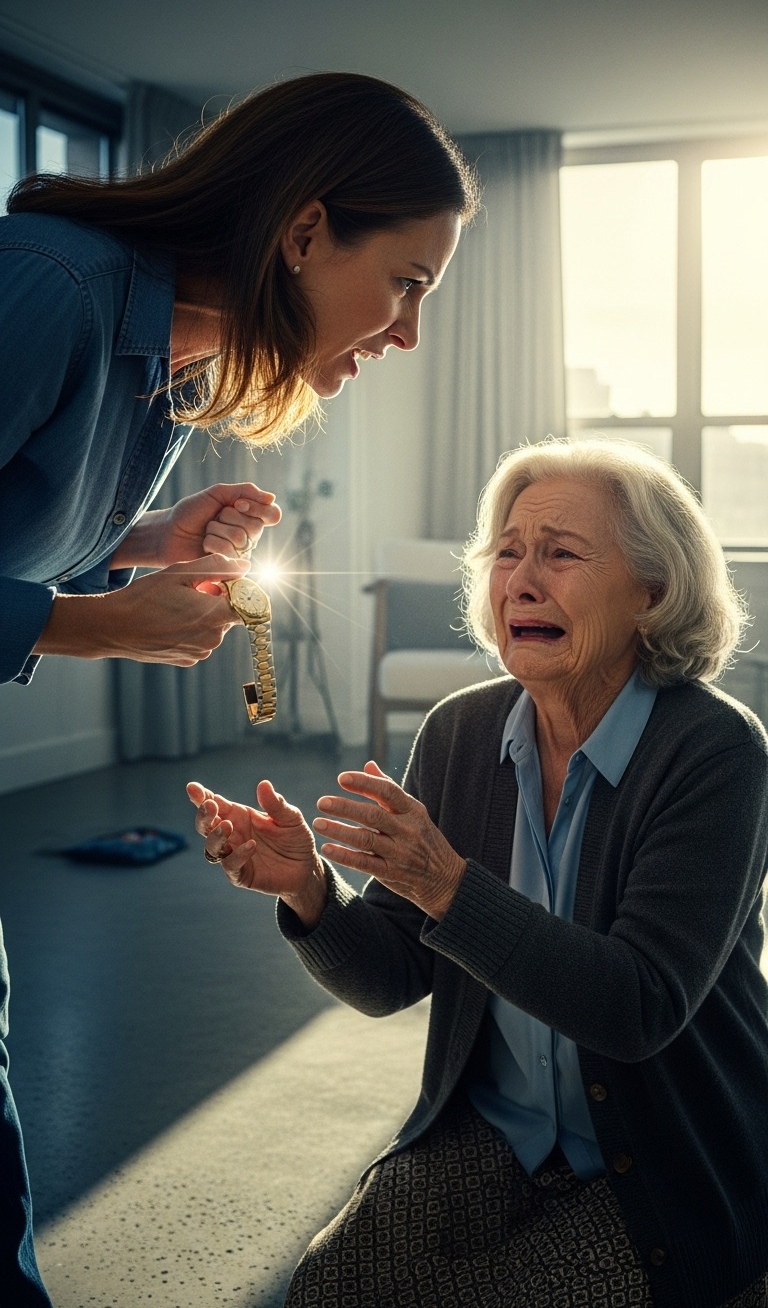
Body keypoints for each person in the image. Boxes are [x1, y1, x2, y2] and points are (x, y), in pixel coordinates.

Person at [0, 71, 479, 1305]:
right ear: (307, 230)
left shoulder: (165, 357)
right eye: (407, 285)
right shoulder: (48, 287)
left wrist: (151, 540)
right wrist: (94, 624)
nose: (409, 334)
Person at [189, 438, 768, 1308]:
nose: (521, 580)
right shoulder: (461, 733)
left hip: (669, 1160)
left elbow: (637, 1005)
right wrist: (309, 892)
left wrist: (448, 885)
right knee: (327, 1292)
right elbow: (394, 975)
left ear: (652, 593)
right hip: (494, 1131)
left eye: (562, 553)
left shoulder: (716, 751)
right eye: (507, 550)